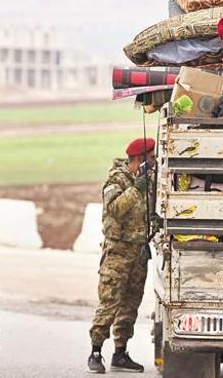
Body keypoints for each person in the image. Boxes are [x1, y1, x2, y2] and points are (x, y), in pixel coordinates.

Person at [87, 137, 155, 374]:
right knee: (110, 302)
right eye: (150, 158)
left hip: (138, 252)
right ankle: (96, 351)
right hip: (118, 251)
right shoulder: (116, 179)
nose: (153, 162)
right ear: (138, 159)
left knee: (130, 304)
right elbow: (114, 209)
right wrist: (137, 189)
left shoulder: (149, 181)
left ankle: (120, 352)